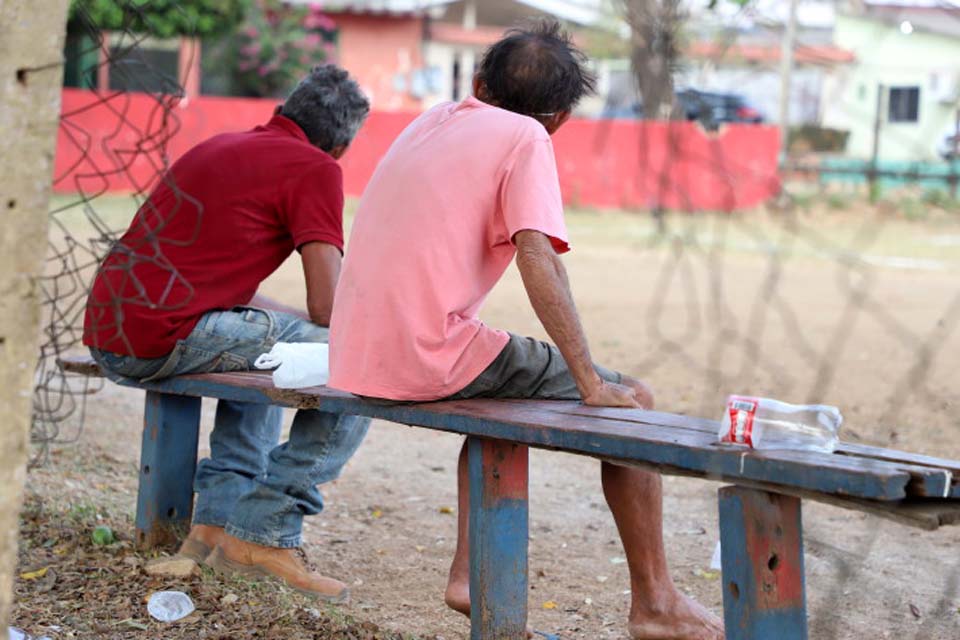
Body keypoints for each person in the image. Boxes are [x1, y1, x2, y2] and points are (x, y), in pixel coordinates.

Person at [328, 22, 724, 640]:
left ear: (479, 84)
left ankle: (468, 575)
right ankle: (656, 603)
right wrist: (590, 380)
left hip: (354, 353)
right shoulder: (525, 135)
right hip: (424, 354)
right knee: (635, 401)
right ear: (560, 119)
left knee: (500, 400)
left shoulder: (430, 119)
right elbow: (538, 256)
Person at [83, 65, 371, 603]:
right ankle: (266, 530)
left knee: (271, 346)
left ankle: (213, 525)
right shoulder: (315, 168)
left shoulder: (218, 146)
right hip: (160, 335)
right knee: (360, 358)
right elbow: (329, 307)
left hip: (111, 326)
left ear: (286, 111)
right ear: (341, 143)